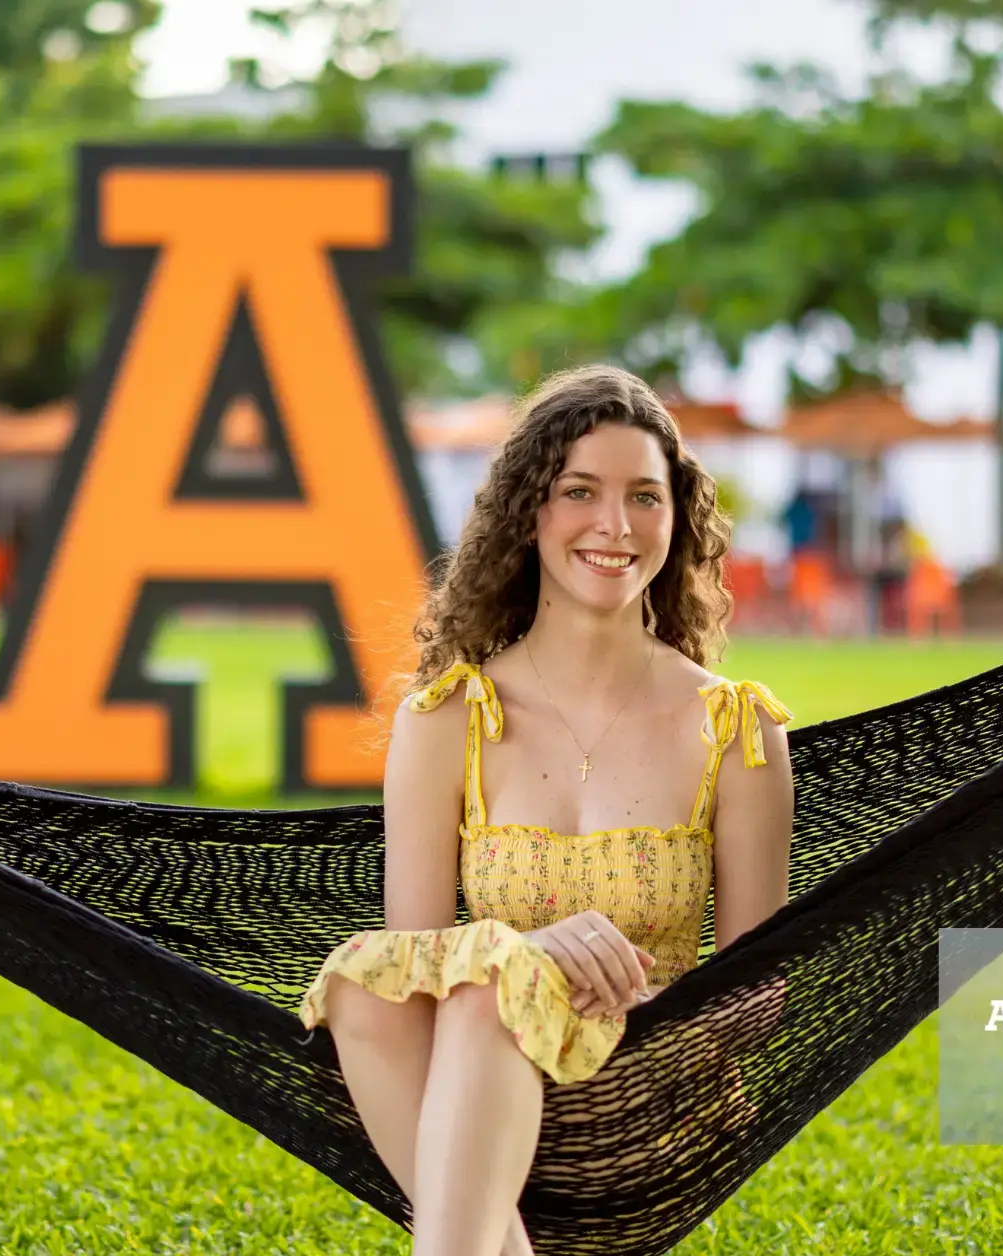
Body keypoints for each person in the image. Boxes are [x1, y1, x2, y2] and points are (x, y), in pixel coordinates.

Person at [296, 365, 796, 1256]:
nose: (614, 525)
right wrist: (528, 956)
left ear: (675, 522)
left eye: (645, 496)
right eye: (580, 492)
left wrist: (636, 996)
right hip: (476, 1081)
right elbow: (405, 969)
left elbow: (760, 997)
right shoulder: (449, 718)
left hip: (647, 1087)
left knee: (488, 990)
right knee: (373, 991)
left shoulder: (736, 730)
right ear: (531, 513)